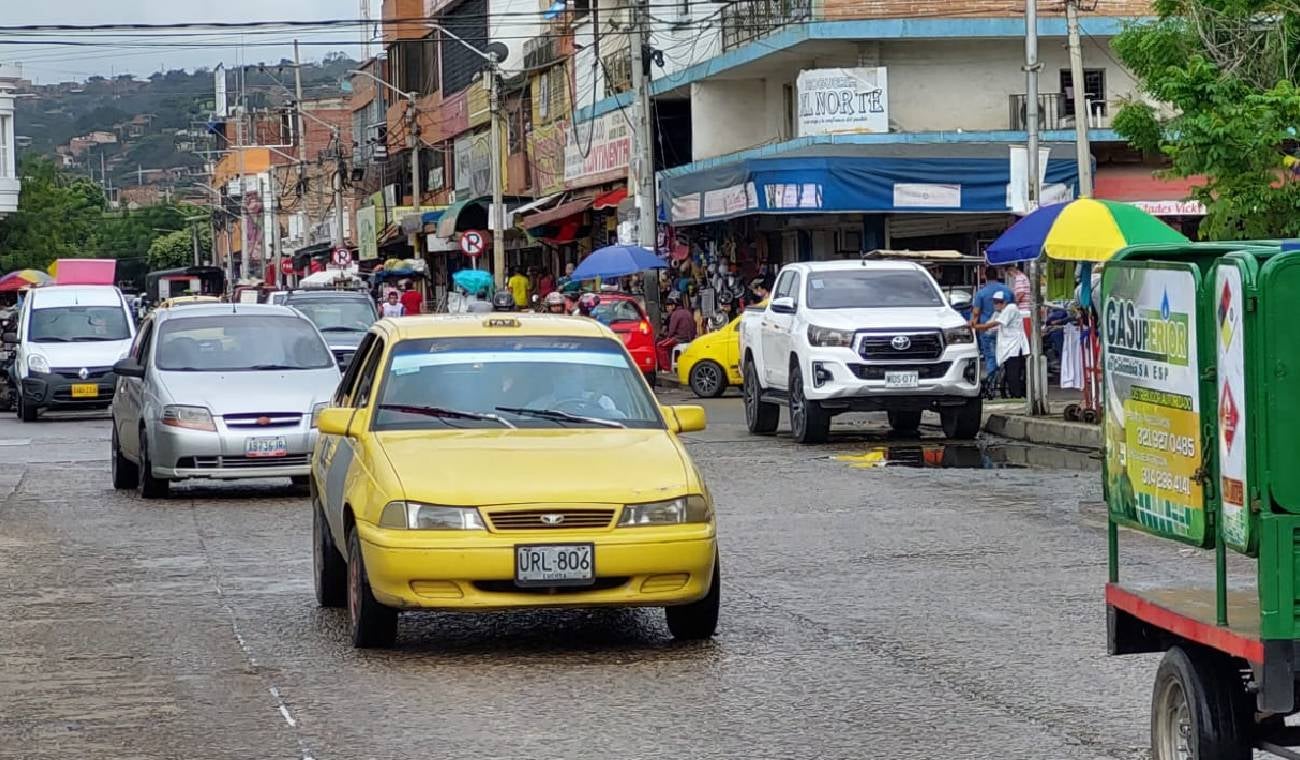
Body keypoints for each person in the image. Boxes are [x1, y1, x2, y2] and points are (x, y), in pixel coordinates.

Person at [975, 291, 1030, 398]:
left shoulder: (1011, 308)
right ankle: (1015, 393)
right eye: (995, 302)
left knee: (1013, 373)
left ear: (1005, 302)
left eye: (999, 302)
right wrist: (981, 327)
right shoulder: (998, 313)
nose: (996, 305)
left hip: (1015, 346)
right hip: (1007, 348)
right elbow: (989, 327)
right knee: (1010, 373)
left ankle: (1017, 395)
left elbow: (996, 323)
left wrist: (978, 327)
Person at [971, 267, 1012, 381]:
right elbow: (1014, 307)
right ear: (997, 274)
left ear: (985, 276)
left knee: (990, 357)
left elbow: (976, 312)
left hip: (986, 329)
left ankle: (992, 382)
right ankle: (1005, 381)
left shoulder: (981, 293)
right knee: (1004, 355)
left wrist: (973, 324)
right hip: (1004, 329)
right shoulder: (1007, 290)